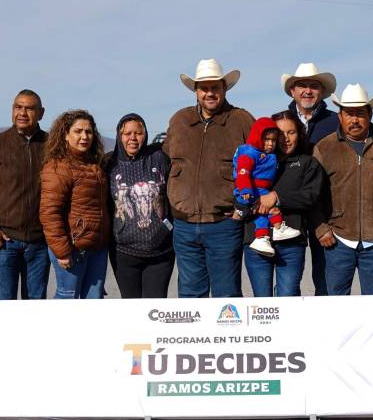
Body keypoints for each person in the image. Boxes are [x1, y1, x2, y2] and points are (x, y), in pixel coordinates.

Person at [163, 59, 253, 298]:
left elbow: (261, 164)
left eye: (215, 87)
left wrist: (243, 208)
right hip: (183, 225)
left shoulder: (241, 120)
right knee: (191, 296)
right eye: (204, 88)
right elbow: (166, 161)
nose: (210, 93)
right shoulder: (179, 120)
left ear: (224, 88)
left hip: (224, 224)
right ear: (196, 91)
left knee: (226, 297)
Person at [313, 84, 373, 295]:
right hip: (337, 240)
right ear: (340, 116)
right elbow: (314, 195)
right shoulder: (324, 148)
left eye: (360, 113)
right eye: (349, 114)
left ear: (370, 114)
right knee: (337, 304)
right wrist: (321, 228)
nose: (354, 120)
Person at [0, 90, 50, 313]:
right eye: (18, 107)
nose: (22, 113)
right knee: (3, 305)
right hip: (5, 241)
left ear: (41, 113)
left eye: (29, 108)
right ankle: (1, 349)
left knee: (34, 307)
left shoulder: (51, 145)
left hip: (40, 242)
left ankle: (30, 349)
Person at [246, 111, 325, 297]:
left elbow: (310, 196)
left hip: (291, 243)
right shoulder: (255, 160)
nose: (286, 139)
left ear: (299, 134)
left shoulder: (307, 163)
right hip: (256, 241)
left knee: (288, 298)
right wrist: (250, 204)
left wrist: (277, 197)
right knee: (262, 302)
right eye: (281, 134)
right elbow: (240, 190)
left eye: (292, 132)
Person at [281, 62, 339, 296]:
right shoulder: (280, 123)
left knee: (325, 279)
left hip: (325, 211)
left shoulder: (337, 122)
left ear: (322, 91)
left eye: (314, 86)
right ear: (292, 91)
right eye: (301, 85)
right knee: (287, 282)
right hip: (286, 212)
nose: (307, 91)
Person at [40, 109, 110, 299]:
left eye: (88, 131)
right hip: (72, 247)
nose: (84, 136)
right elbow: (49, 213)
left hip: (97, 247)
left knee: (93, 299)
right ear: (65, 134)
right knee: (68, 297)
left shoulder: (94, 165)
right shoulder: (58, 167)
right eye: (78, 131)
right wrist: (62, 251)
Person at [105, 113, 174, 298]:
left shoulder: (159, 158)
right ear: (120, 136)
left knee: (155, 308)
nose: (133, 138)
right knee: (131, 309)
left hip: (161, 252)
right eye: (127, 134)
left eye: (138, 133)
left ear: (145, 135)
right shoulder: (108, 164)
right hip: (124, 252)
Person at [233, 117, 301, 255]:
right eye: (266, 140)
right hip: (251, 189)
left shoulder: (269, 155)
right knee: (272, 210)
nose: (270, 144)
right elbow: (243, 172)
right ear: (257, 137)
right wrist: (245, 189)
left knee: (263, 216)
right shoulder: (250, 152)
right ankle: (277, 228)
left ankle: (261, 238)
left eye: (273, 140)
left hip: (262, 189)